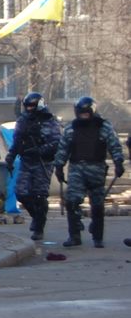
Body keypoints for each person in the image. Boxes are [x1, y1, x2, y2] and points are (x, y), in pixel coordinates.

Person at [53, 96, 124, 248]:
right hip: (76, 169)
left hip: (96, 169)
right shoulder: (72, 128)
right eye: (81, 113)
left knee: (97, 204)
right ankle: (74, 235)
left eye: (86, 113)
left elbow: (114, 145)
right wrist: (59, 166)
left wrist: (118, 162)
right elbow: (63, 148)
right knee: (72, 201)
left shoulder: (103, 126)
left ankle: (98, 236)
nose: (84, 116)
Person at [5, 92, 61, 240]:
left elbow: (56, 142)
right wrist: (11, 156)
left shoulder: (49, 121)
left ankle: (39, 227)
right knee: (21, 193)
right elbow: (17, 141)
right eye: (27, 106)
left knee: (39, 195)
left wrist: (40, 150)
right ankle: (36, 217)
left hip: (43, 162)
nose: (29, 109)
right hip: (27, 161)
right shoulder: (23, 121)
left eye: (32, 106)